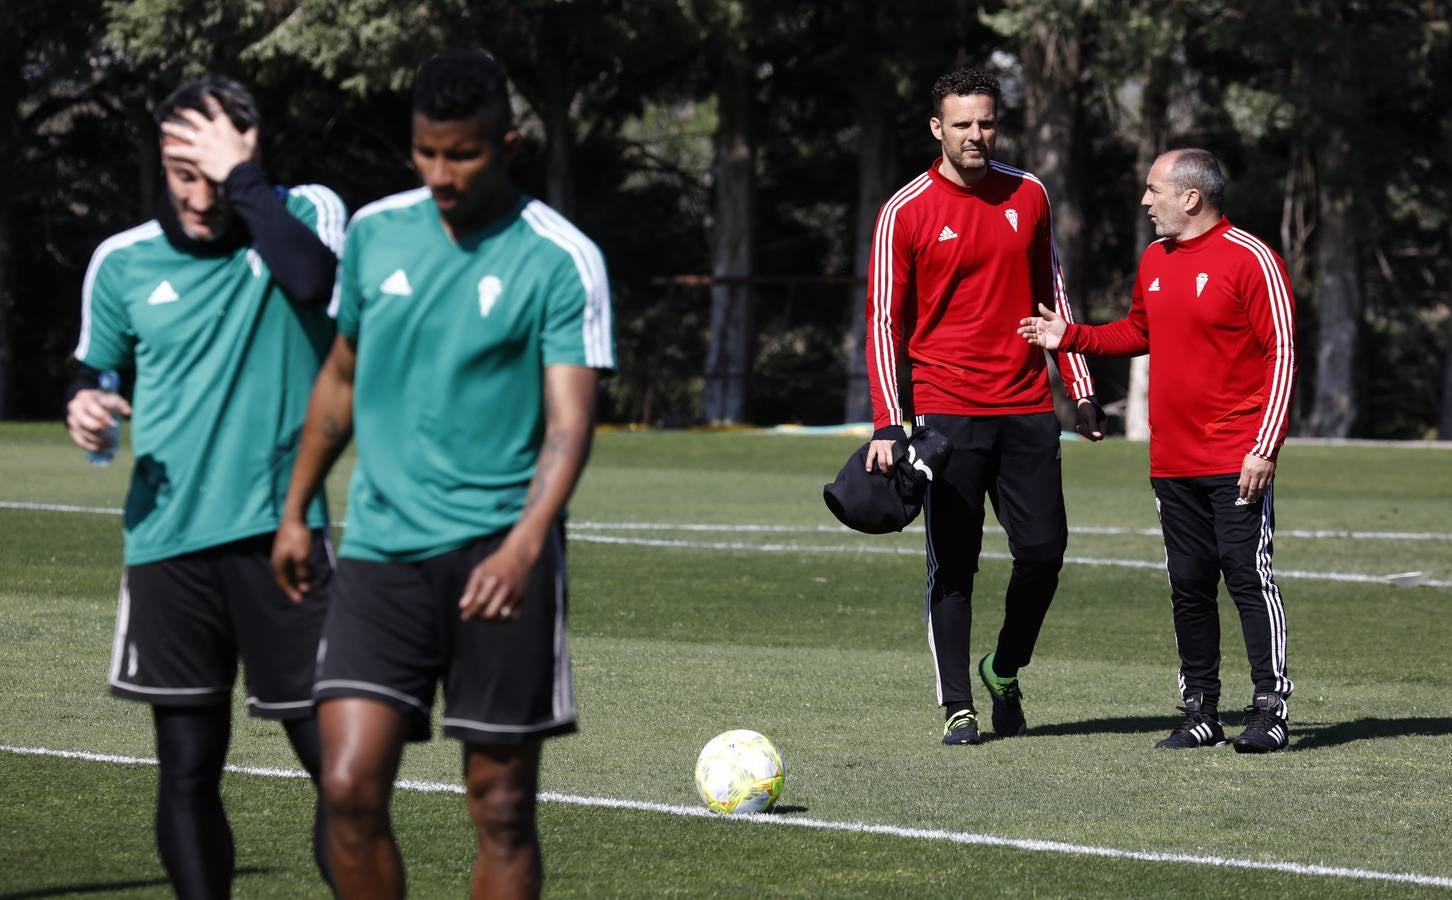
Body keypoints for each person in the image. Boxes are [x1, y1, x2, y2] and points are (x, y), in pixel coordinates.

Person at [271, 48, 613, 898]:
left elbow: (571, 425)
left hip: (500, 557)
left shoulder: (560, 258)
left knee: (498, 803)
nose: (441, 173)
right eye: (425, 152)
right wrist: (294, 507)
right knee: (347, 786)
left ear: (508, 141)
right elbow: (342, 378)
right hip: (383, 553)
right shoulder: (380, 233)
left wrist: (523, 548)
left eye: (461, 153)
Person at [65, 75, 344, 896]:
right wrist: (86, 406)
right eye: (179, 172)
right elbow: (94, 368)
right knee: (187, 768)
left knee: (339, 771)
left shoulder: (307, 215)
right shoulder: (120, 261)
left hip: (283, 537)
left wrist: (242, 182)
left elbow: (313, 283)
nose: (196, 194)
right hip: (168, 544)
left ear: (247, 156)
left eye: (211, 171)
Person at [1018, 148, 1297, 753]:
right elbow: (1139, 330)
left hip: (1237, 459)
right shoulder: (1154, 259)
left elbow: (1284, 356)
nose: (1145, 202)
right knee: (1189, 583)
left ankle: (1270, 709)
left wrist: (1264, 446)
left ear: (1190, 197)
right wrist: (1073, 336)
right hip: (1172, 462)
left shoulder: (1253, 260)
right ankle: (1200, 709)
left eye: (1154, 190)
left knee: (1250, 579)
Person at [863, 67, 1103, 746]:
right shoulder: (904, 210)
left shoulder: (1029, 193)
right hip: (945, 412)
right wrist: (889, 421)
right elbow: (884, 320)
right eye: (962, 123)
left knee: (1044, 552)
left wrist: (1078, 386)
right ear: (937, 128)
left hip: (1027, 406)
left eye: (986, 122)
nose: (976, 135)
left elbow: (1051, 292)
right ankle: (959, 705)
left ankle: (1002, 667)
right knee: (955, 562)